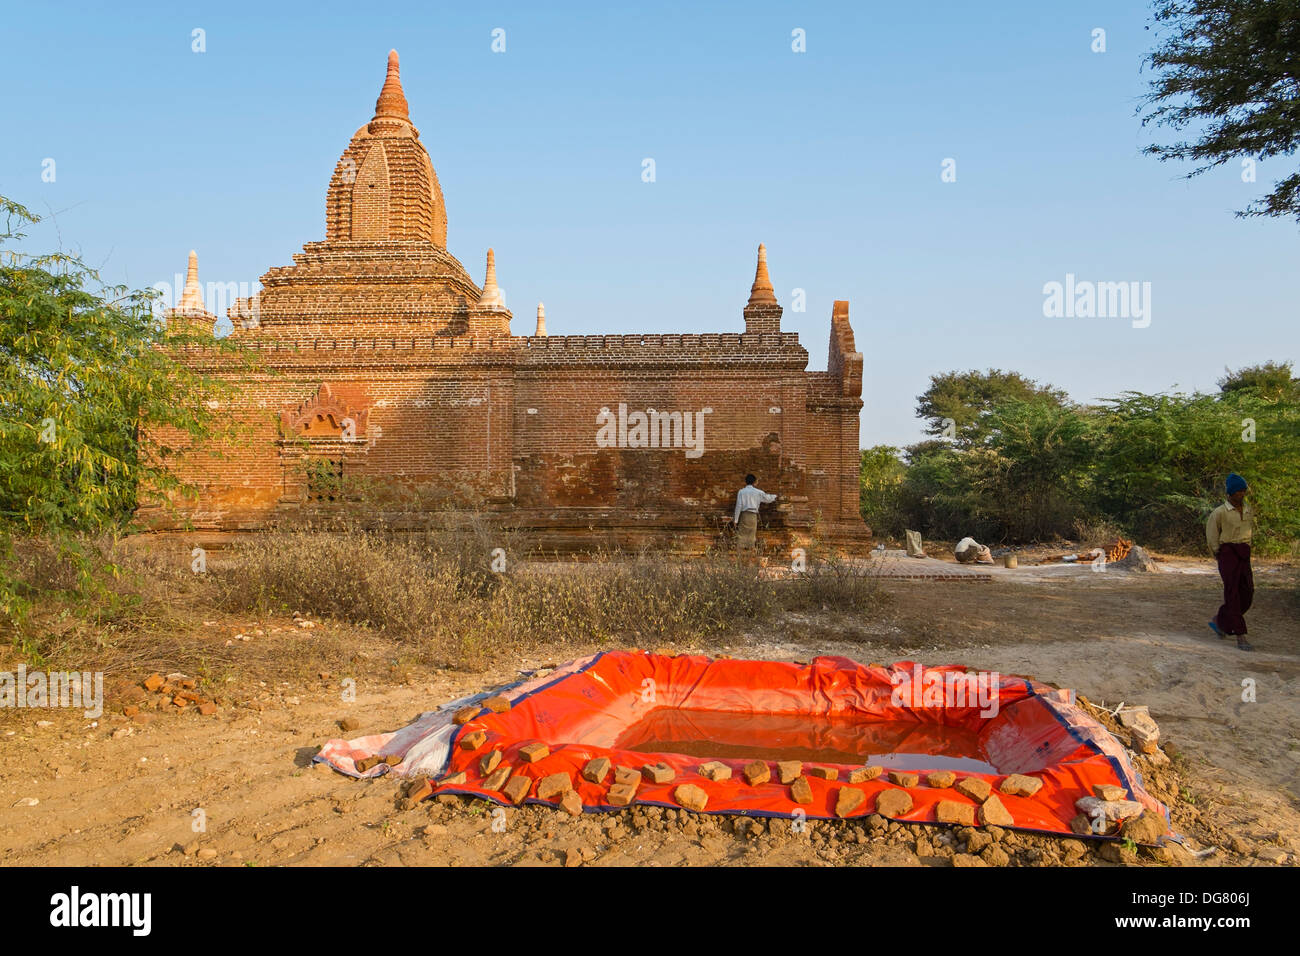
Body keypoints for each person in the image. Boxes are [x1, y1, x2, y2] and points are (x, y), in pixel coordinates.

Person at [1206, 472, 1255, 651]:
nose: (1242, 494)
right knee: (1232, 593)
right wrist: (1218, 553)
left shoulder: (1248, 510)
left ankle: (1220, 621)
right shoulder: (1219, 513)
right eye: (1239, 491)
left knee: (1247, 592)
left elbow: (1248, 533)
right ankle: (1240, 635)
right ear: (1231, 493)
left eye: (1244, 490)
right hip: (1228, 553)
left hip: (1244, 553)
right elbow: (1212, 535)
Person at [733, 474, 777, 551]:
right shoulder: (758, 492)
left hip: (744, 515)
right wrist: (776, 496)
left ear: (746, 482)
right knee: (751, 535)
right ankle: (750, 555)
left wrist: (735, 520)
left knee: (741, 535)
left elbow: (738, 506)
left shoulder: (741, 492)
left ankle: (740, 555)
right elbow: (768, 499)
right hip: (753, 516)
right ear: (754, 482)